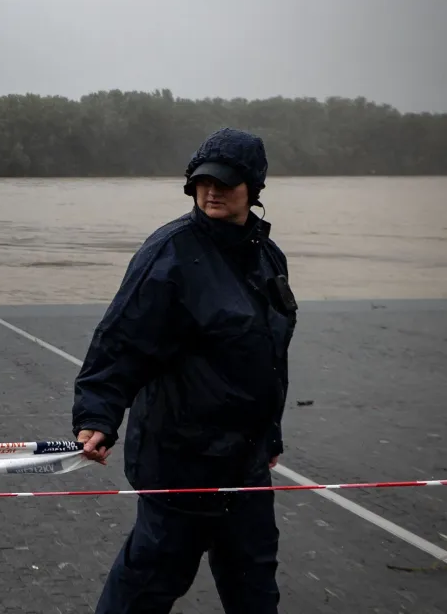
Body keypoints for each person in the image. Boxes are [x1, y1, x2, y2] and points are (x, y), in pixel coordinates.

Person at [72, 127, 298, 614]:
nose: (212, 191)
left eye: (225, 182)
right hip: (180, 463)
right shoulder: (169, 254)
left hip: (246, 466)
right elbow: (120, 342)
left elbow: (268, 357)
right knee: (146, 587)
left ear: (254, 188)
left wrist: (270, 435)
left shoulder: (266, 256)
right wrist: (97, 415)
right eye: (202, 181)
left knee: (256, 588)